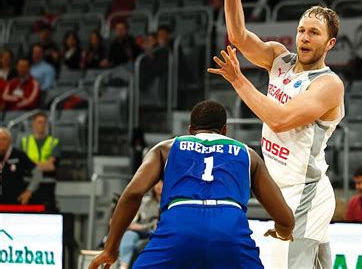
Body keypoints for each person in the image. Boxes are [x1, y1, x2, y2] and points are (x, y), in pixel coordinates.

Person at [209, 0, 345, 268]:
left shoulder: (328, 84)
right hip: (282, 190)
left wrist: (238, 80)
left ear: (330, 42)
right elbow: (239, 36)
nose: (305, 38)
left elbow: (280, 120)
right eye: (301, 30)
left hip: (305, 192)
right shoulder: (278, 58)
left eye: (314, 33)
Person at [89, 100, 295, 269]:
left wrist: (111, 248)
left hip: (180, 225)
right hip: (229, 229)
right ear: (224, 131)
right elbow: (285, 218)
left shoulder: (166, 148)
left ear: (190, 130)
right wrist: (282, 231)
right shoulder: (247, 154)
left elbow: (133, 194)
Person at [20, 112, 60, 212]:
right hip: (27, 183)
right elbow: (21, 163)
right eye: (39, 122)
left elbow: (51, 166)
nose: (42, 125)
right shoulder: (25, 141)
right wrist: (43, 164)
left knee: (48, 212)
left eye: (44, 123)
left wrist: (31, 164)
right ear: (33, 124)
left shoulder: (53, 142)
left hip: (47, 185)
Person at [118, 181, 162, 269]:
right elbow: (135, 219)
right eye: (157, 183)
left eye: (161, 183)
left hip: (157, 232)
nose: (158, 186)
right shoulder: (145, 202)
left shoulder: (169, 203)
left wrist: (144, 227)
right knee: (129, 235)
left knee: (139, 245)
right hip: (142, 230)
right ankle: (123, 266)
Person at [0, 127, 43, 205]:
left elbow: (38, 172)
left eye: (4, 139)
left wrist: (29, 192)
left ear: (10, 141)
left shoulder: (19, 155)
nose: (1, 142)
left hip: (15, 200)